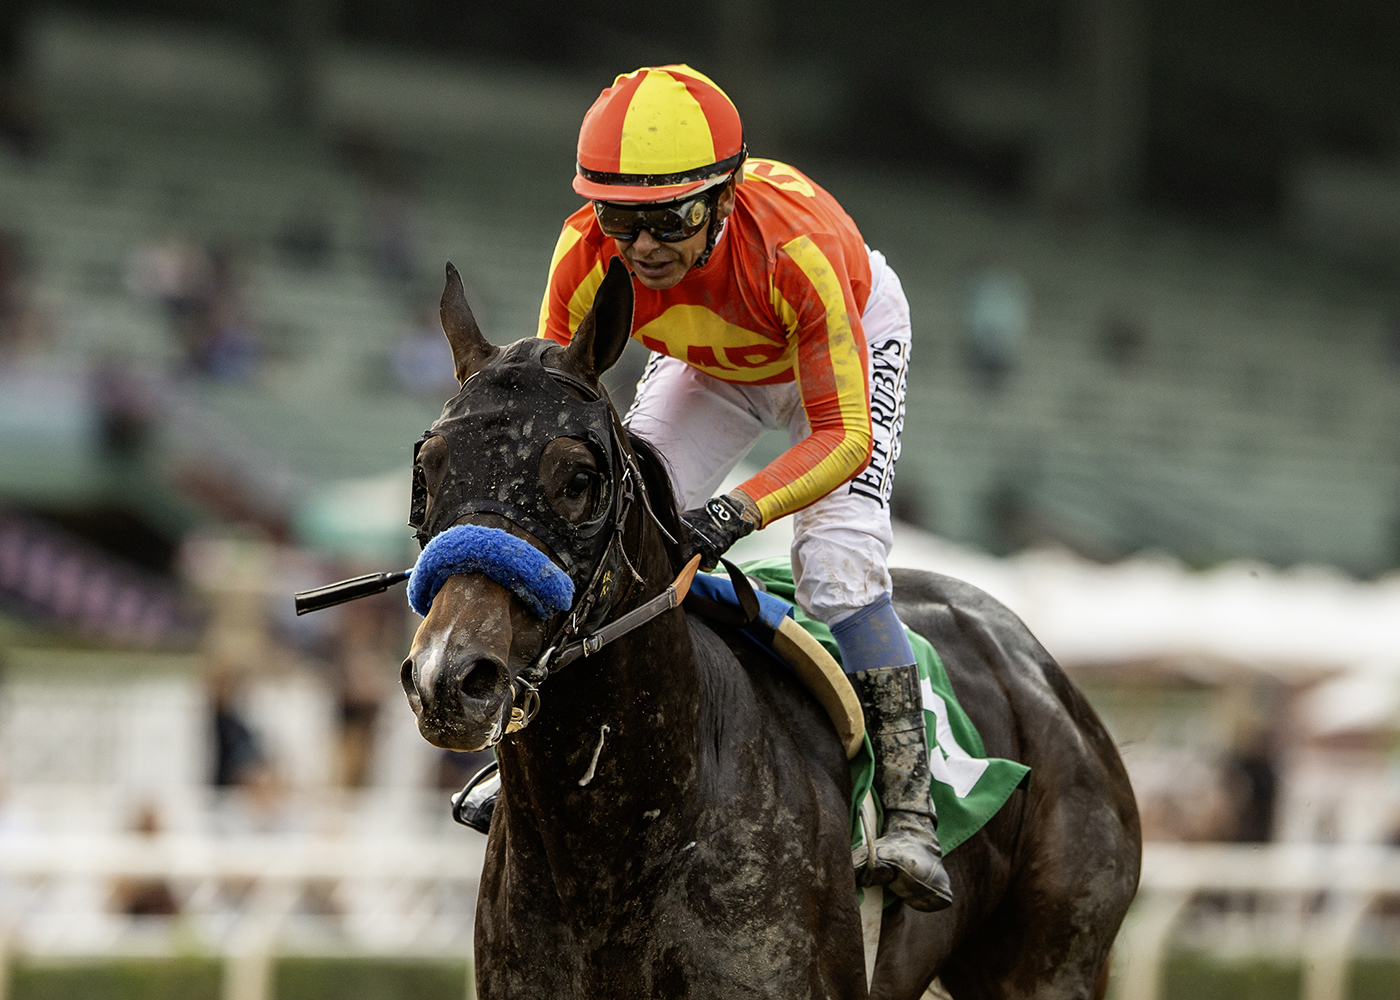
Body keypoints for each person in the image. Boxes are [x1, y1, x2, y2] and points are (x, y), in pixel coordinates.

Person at [534, 65, 950, 912]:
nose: (642, 247)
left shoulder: (796, 250)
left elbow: (842, 437)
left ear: (723, 197)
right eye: (620, 217)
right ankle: (544, 750)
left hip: (841, 342)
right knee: (611, 521)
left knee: (836, 565)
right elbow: (554, 414)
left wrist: (735, 512)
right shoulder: (585, 253)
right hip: (713, 362)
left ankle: (910, 811)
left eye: (670, 219)